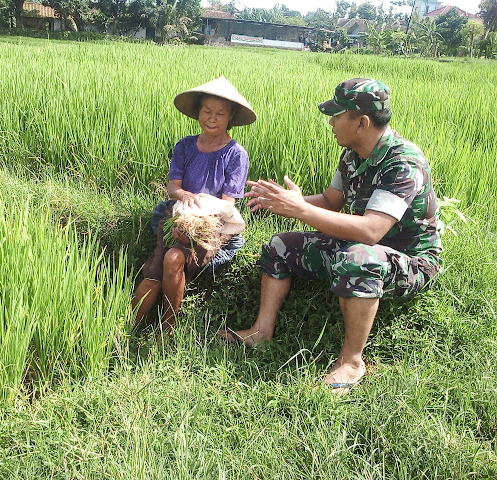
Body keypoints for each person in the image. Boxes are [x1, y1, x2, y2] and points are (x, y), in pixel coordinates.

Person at [219, 78, 442, 393]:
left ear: (361, 122)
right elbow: (329, 202)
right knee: (279, 245)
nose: (331, 122)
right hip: (362, 245)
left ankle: (352, 362)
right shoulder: (352, 154)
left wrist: (301, 210)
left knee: (357, 260)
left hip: (411, 261)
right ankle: (260, 331)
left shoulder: (403, 162)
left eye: (337, 116)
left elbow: (371, 230)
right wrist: (285, 203)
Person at [132, 76, 256, 336]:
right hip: (178, 214)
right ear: (198, 112)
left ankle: (167, 330)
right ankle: (125, 332)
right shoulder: (185, 146)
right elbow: (173, 188)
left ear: (231, 116)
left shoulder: (236, 154)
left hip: (210, 224)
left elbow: (226, 205)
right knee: (154, 273)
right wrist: (184, 197)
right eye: (206, 111)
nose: (212, 118)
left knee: (174, 256)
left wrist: (193, 229)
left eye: (220, 113)